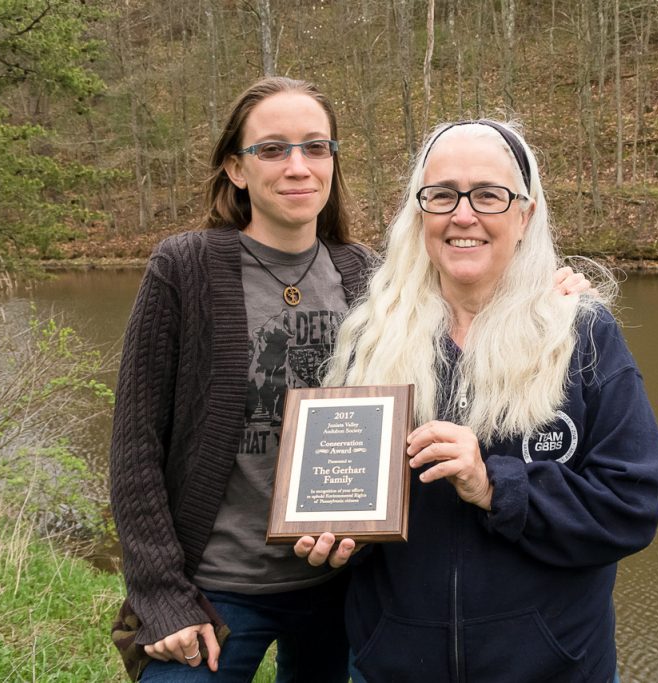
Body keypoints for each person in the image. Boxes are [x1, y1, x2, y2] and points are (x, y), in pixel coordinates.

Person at [109, 77, 590, 683]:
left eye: (315, 148)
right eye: (272, 149)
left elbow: (467, 295)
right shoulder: (185, 268)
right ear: (236, 168)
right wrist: (160, 597)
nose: (297, 166)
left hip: (343, 585)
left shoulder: (368, 276)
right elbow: (134, 446)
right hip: (215, 591)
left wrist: (546, 292)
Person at [296, 119, 658, 683]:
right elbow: (351, 501)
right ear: (419, 214)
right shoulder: (371, 338)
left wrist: (494, 486)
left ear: (526, 214)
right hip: (395, 668)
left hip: (553, 669)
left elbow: (629, 509)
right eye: (442, 195)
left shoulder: (582, 335)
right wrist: (342, 538)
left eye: (488, 195)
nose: (462, 215)